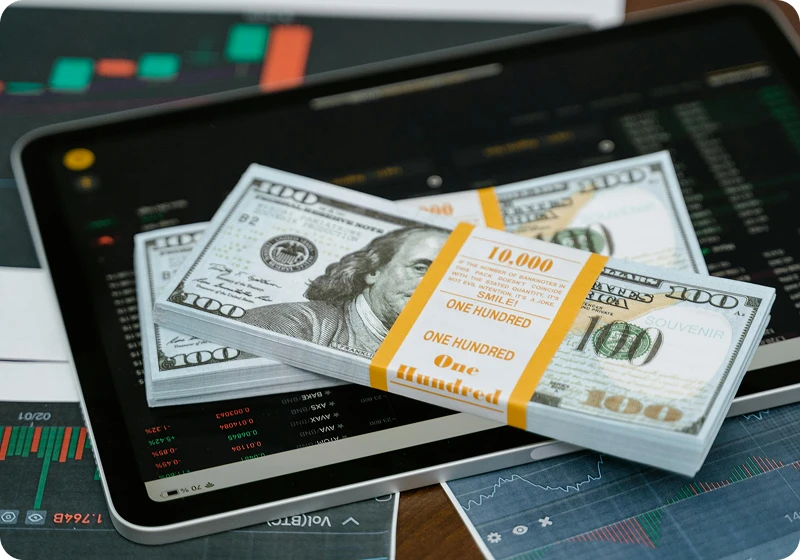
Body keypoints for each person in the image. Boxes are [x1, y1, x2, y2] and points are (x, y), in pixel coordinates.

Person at [239, 226, 449, 357]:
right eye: (420, 268)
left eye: (448, 276)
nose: (434, 285)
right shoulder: (290, 323)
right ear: (374, 270)